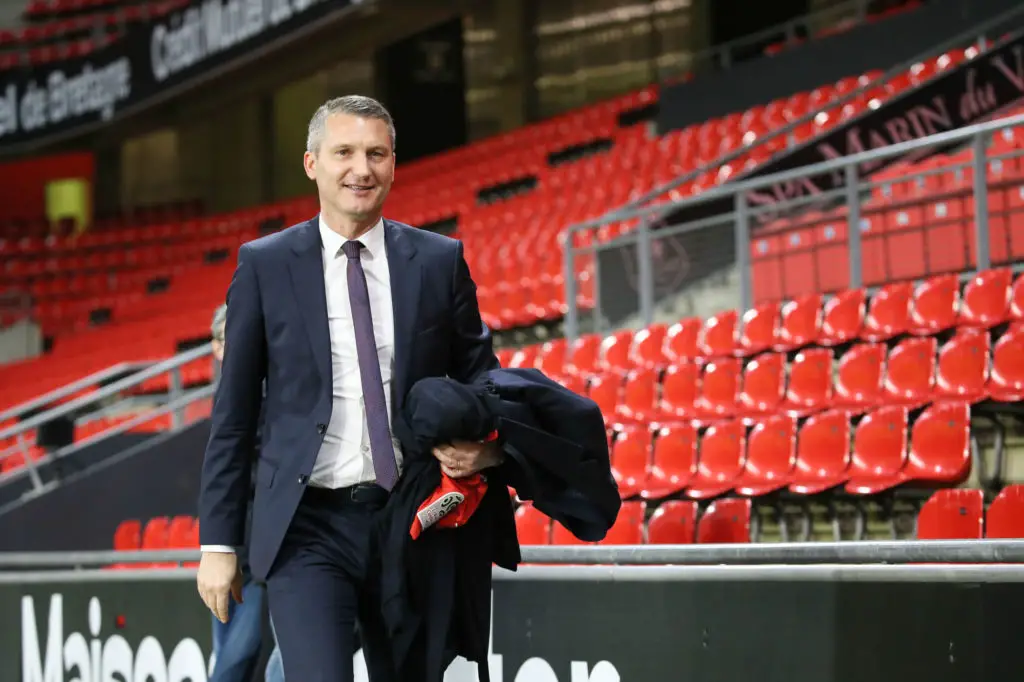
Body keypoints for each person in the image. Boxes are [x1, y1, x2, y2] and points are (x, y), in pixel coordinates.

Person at [196, 95, 507, 682]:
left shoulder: (439, 261)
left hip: (411, 520)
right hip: (307, 527)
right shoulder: (264, 265)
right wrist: (218, 543)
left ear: (393, 164)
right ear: (312, 163)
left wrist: (487, 451)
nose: (361, 169)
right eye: (344, 152)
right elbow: (233, 414)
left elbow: (483, 379)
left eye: (376, 154)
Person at [206, 305, 268, 682]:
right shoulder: (222, 398)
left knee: (233, 666)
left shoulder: (270, 388)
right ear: (216, 348)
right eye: (227, 337)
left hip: (261, 559)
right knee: (228, 660)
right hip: (227, 551)